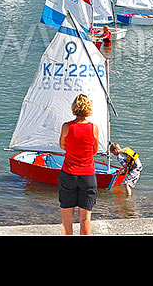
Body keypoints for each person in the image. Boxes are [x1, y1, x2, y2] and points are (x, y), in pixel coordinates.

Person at [58, 93, 100, 235]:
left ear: (74, 108)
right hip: (88, 176)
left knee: (67, 221)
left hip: (68, 174)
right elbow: (94, 150)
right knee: (85, 220)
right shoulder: (93, 128)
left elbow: (62, 146)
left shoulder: (66, 127)